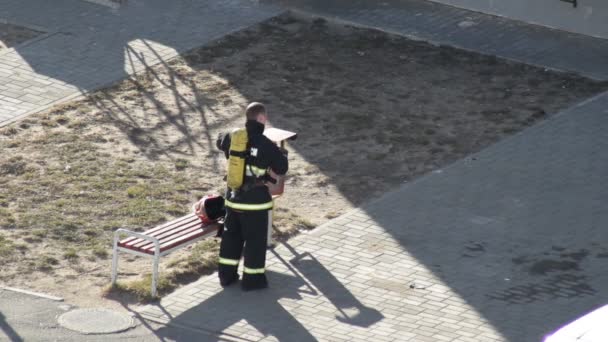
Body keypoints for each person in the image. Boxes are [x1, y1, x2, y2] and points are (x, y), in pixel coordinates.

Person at [216, 102, 288, 291]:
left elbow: (219, 140)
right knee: (254, 242)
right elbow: (282, 168)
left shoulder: (233, 137)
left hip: (233, 199)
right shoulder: (265, 144)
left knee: (231, 239)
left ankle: (226, 276)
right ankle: (252, 280)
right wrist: (281, 153)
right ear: (262, 118)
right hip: (255, 204)